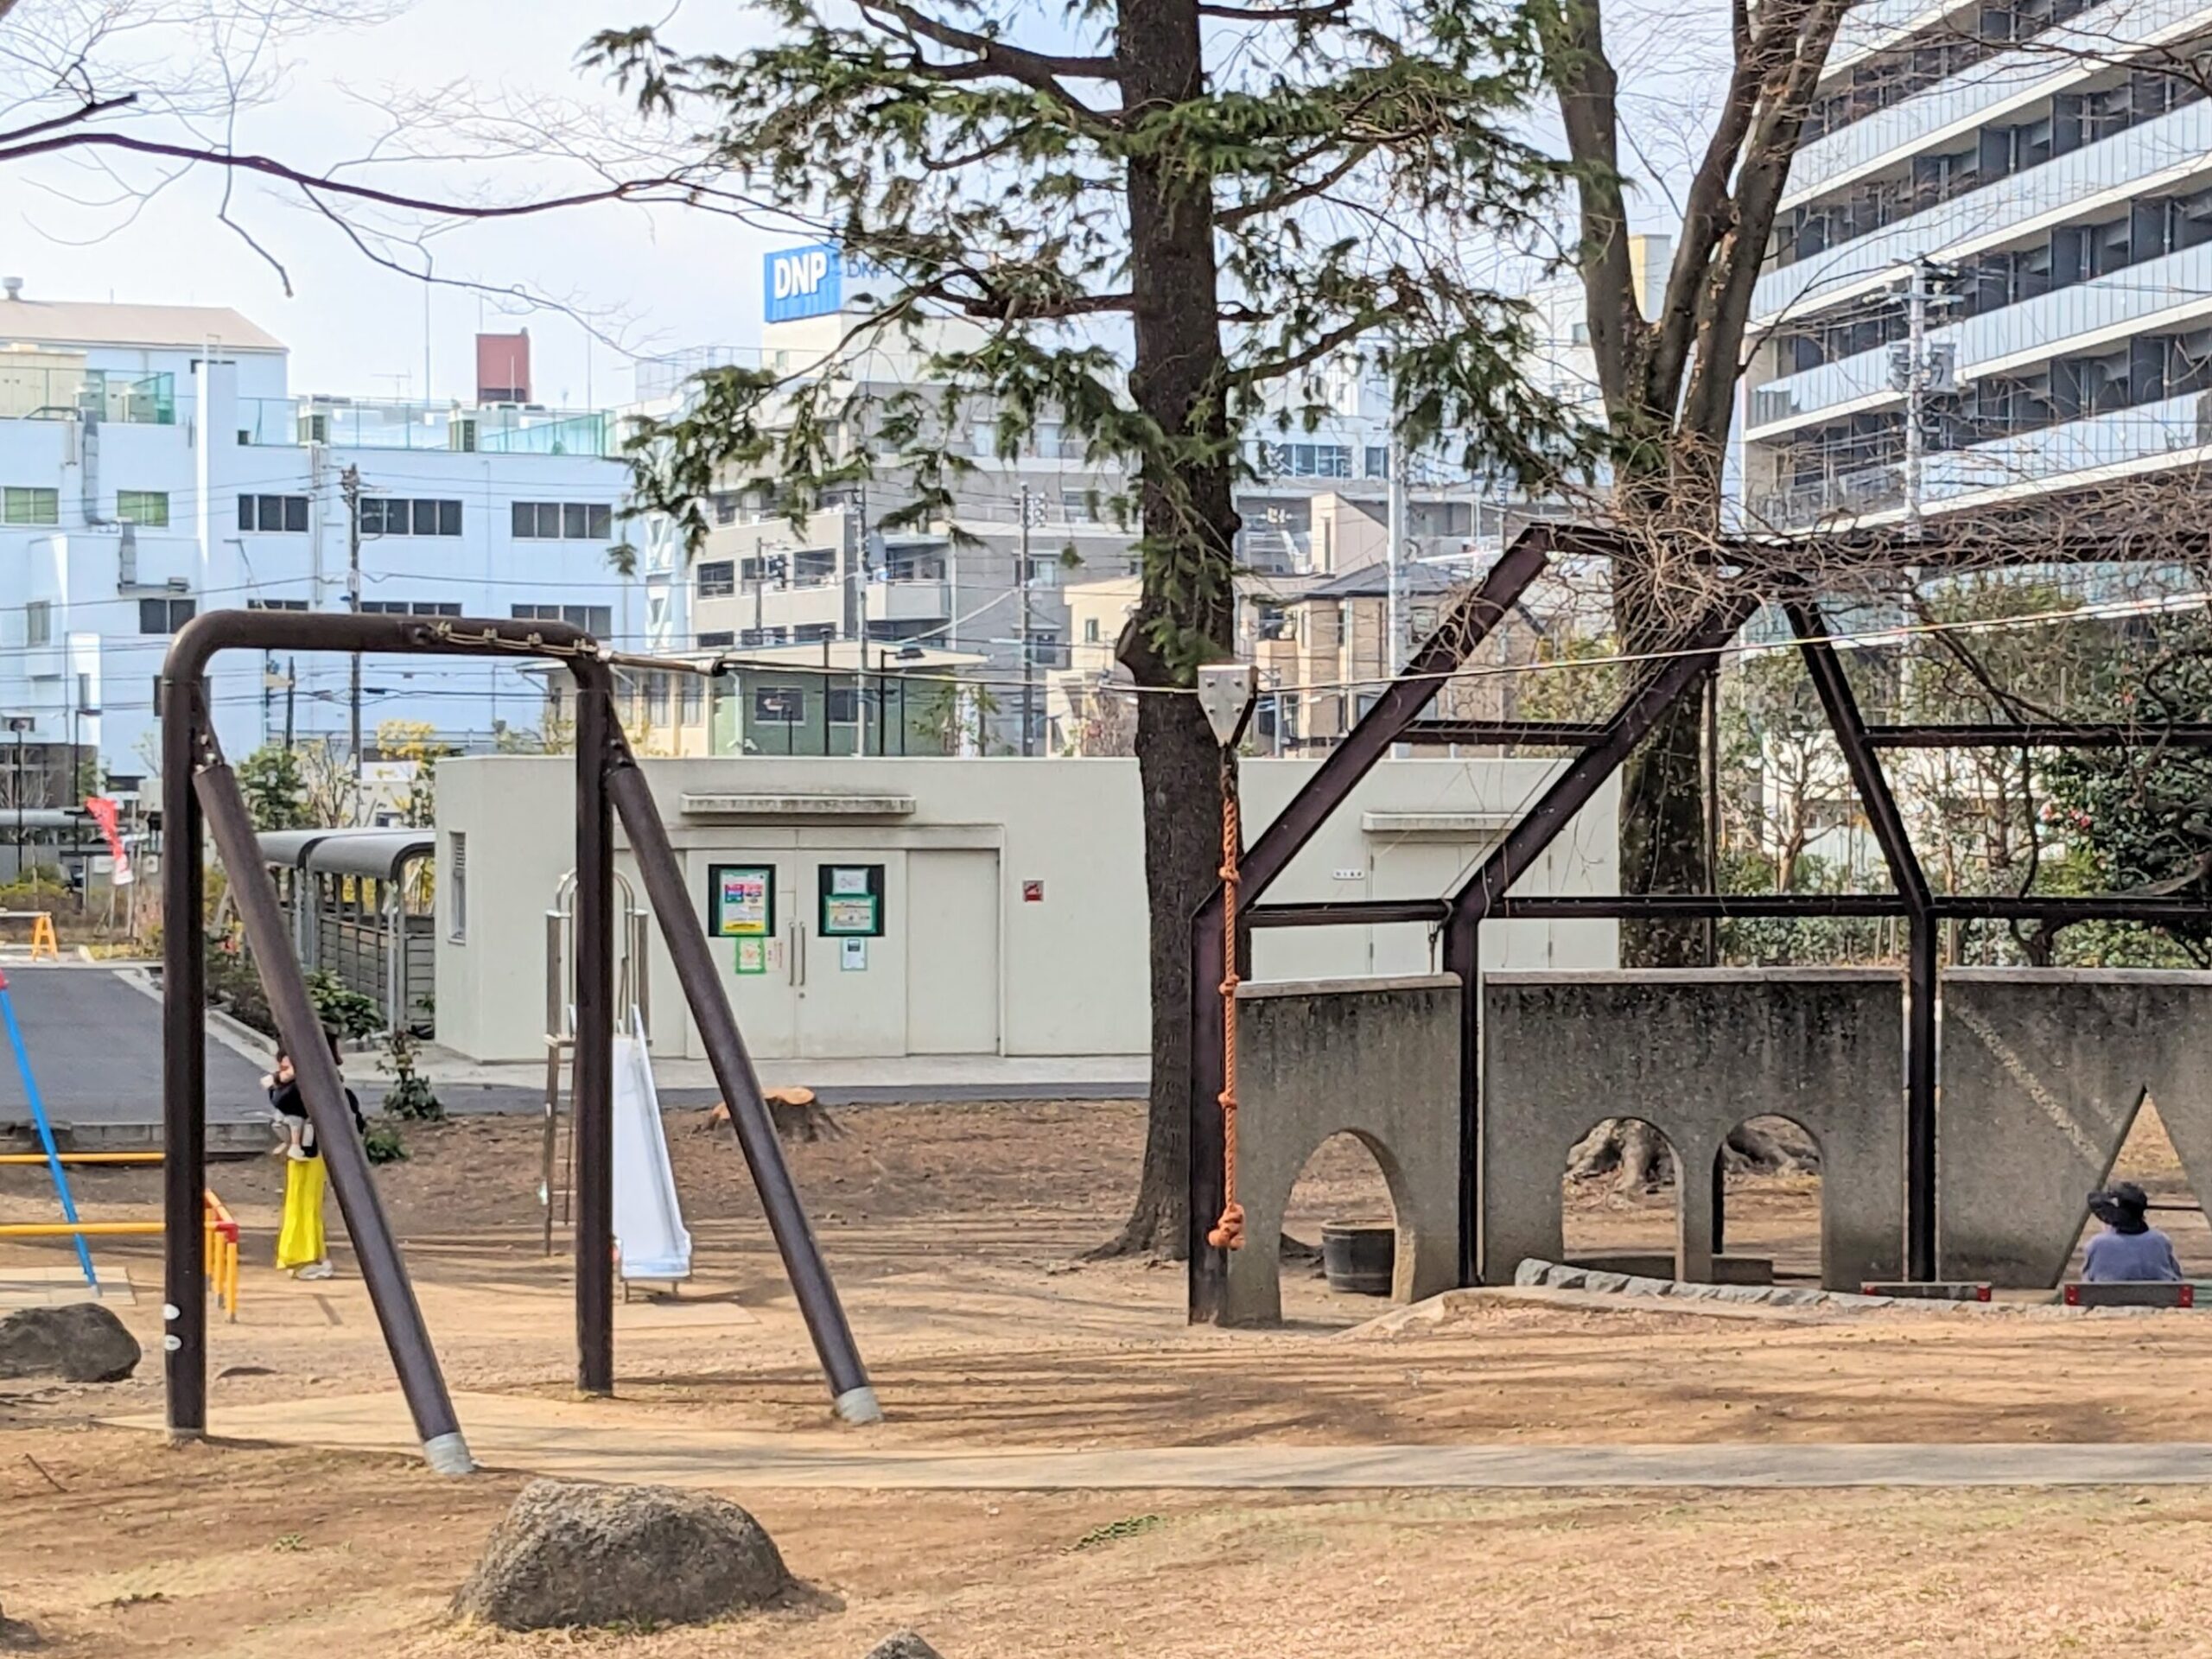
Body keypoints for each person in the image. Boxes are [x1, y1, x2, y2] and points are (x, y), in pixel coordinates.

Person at [264, 1031, 365, 1282]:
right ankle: (304, 1257)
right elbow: (283, 1101)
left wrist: (280, 1080)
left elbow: (281, 1100)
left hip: (311, 1148)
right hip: (313, 1150)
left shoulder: (307, 1079)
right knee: (305, 1203)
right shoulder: (315, 1079)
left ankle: (305, 1255)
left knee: (302, 1202)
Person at [2082, 1182, 2184, 1283]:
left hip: (2108, 1299)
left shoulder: (2097, 1244)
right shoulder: (2161, 1240)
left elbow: (2087, 1280)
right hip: (2161, 1299)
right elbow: (2177, 1277)